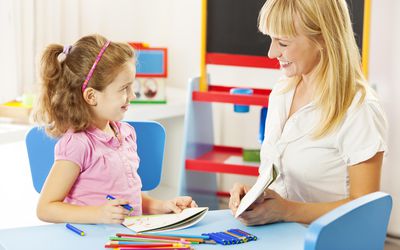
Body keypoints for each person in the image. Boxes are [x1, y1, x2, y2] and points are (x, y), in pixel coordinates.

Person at [229, 0, 387, 225]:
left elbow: (366, 207)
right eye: (271, 39)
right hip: (281, 235)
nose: (271, 53)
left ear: (322, 39)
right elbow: (280, 181)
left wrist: (286, 211)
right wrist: (254, 196)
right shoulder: (282, 92)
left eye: (282, 42)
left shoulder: (358, 107)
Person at [34, 34, 197, 224]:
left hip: (125, 237)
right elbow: (45, 208)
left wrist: (160, 206)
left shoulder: (126, 134)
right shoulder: (78, 144)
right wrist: (98, 215)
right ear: (91, 96)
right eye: (124, 88)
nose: (133, 95)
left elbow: (128, 198)